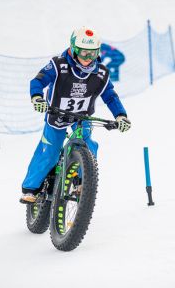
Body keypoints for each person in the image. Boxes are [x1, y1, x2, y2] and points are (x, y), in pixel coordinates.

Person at [20, 27, 131, 203]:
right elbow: (38, 80)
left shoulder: (101, 72)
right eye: (84, 53)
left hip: (82, 118)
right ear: (73, 49)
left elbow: (110, 95)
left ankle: (82, 183)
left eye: (93, 54)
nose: (88, 59)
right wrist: (37, 98)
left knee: (89, 146)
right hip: (57, 115)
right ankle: (31, 188)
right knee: (49, 152)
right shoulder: (59, 65)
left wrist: (120, 115)